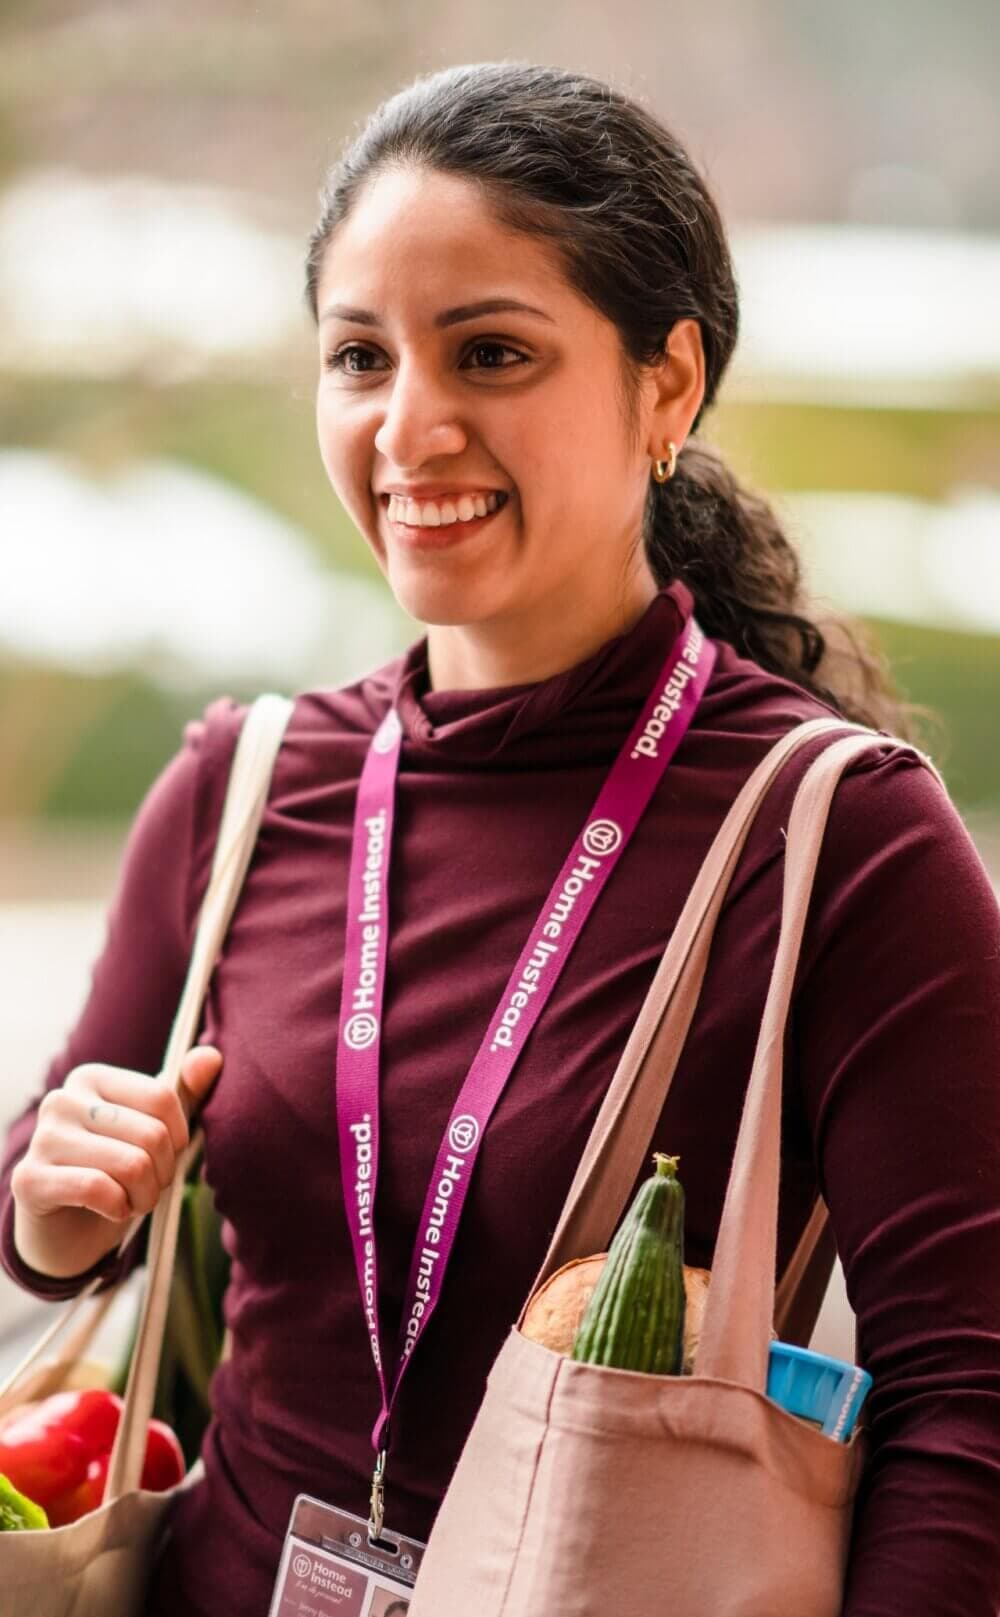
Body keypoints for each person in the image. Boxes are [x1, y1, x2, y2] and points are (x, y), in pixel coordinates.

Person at [2, 62, 998, 1617]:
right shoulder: (243, 784)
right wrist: (53, 1209)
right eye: (359, 354)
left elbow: (970, 1401)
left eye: (491, 352)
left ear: (667, 386)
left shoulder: (836, 837)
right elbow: (48, 1195)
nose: (412, 425)